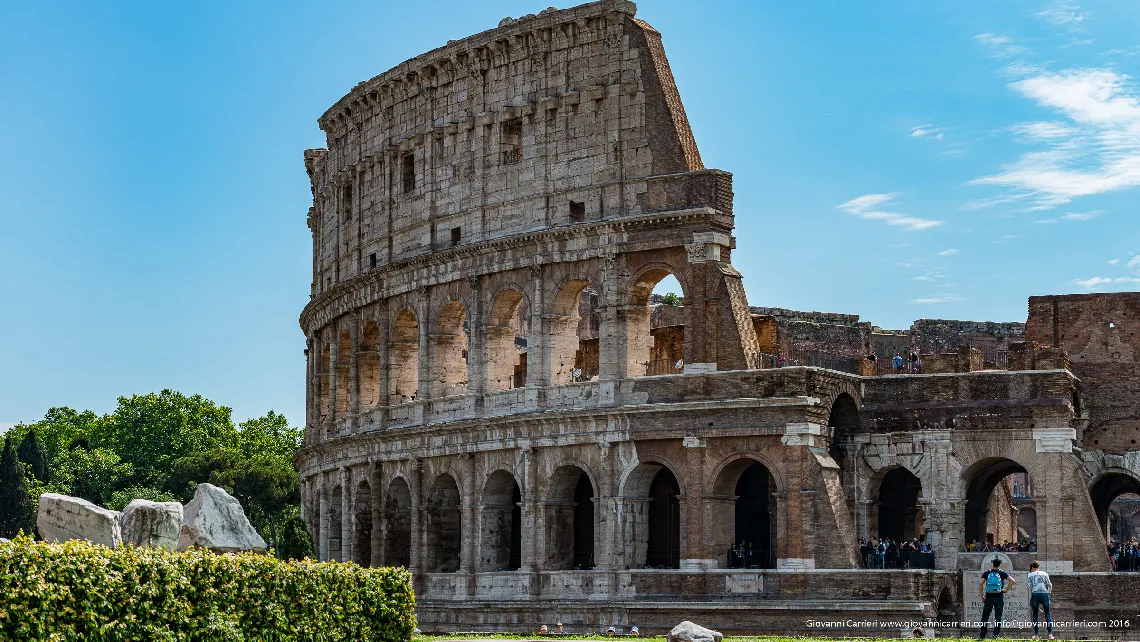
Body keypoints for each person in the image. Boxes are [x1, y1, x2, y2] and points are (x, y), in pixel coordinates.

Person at [978, 557, 1014, 640]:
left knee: (985, 617)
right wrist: (1006, 590)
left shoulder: (987, 572)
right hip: (999, 596)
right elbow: (1012, 581)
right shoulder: (1002, 573)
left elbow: (980, 583)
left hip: (989, 597)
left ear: (993, 564)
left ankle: (982, 636)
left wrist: (982, 596)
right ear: (999, 565)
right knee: (998, 617)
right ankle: (995, 637)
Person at [1027, 560, 1054, 640]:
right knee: (1048, 614)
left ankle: (1036, 635)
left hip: (1035, 594)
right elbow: (1049, 584)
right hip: (1044, 594)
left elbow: (1029, 586)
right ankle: (1050, 635)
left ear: (1032, 568)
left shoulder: (1030, 574)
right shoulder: (1045, 574)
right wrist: (1048, 592)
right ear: (1038, 567)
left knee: (1035, 615)